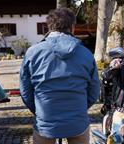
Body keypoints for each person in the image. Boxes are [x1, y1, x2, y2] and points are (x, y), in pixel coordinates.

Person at [20, 8, 100, 144]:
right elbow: (94, 91)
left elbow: (25, 91)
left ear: (49, 27)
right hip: (77, 121)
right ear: (72, 27)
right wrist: (78, 109)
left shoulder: (33, 52)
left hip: (45, 121)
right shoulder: (86, 54)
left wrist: (39, 111)